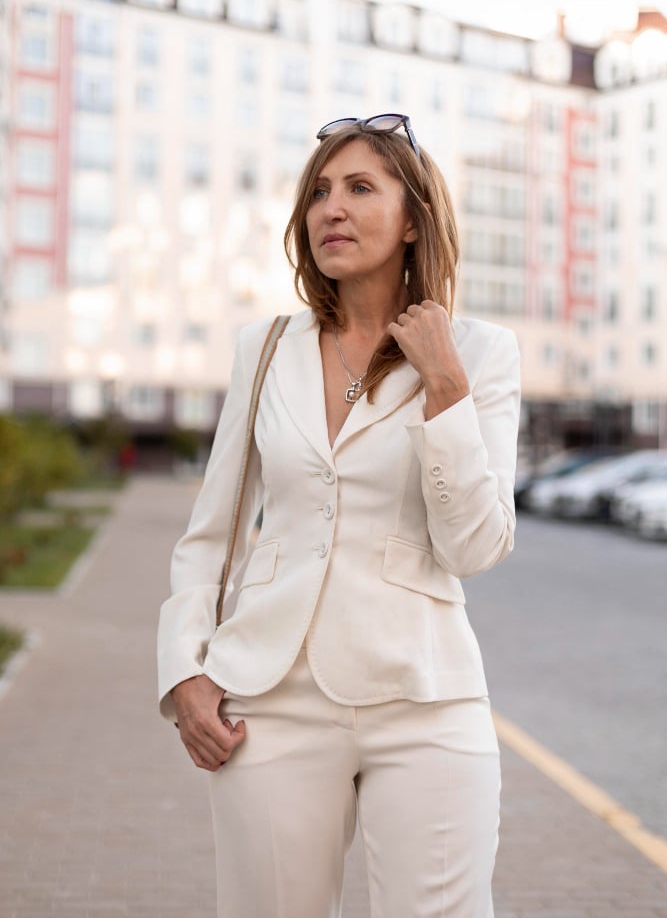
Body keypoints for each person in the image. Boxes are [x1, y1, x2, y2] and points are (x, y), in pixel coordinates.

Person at [157, 113, 521, 918]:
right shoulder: (264, 349)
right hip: (268, 697)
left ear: (413, 220)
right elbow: (212, 532)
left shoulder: (479, 353)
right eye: (319, 191)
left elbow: (474, 546)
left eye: (359, 188)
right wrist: (183, 670)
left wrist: (445, 389)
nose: (331, 208)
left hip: (424, 696)